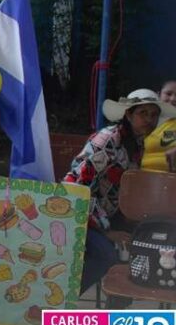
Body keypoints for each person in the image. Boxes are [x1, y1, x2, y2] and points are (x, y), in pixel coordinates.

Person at [64, 88, 176, 295]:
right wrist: (107, 231)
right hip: (79, 214)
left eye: (153, 114)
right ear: (128, 115)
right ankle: (61, 302)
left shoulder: (144, 145)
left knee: (147, 248)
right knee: (106, 256)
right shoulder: (107, 141)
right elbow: (76, 188)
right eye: (143, 113)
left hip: (112, 214)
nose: (149, 119)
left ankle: (119, 308)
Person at [141, 80, 176, 172]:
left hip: (167, 181)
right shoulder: (142, 118)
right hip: (134, 177)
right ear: (159, 94)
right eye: (168, 94)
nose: (173, 99)